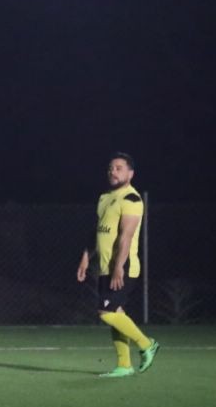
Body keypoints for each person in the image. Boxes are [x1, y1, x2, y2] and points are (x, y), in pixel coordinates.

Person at [77, 152, 160, 377]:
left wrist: (118, 267)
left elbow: (126, 237)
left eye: (119, 168)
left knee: (106, 313)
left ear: (130, 174)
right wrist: (86, 257)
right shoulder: (104, 198)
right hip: (105, 267)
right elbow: (98, 232)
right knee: (116, 313)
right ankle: (124, 365)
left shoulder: (131, 199)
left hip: (123, 268)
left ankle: (147, 344)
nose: (113, 171)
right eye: (111, 168)